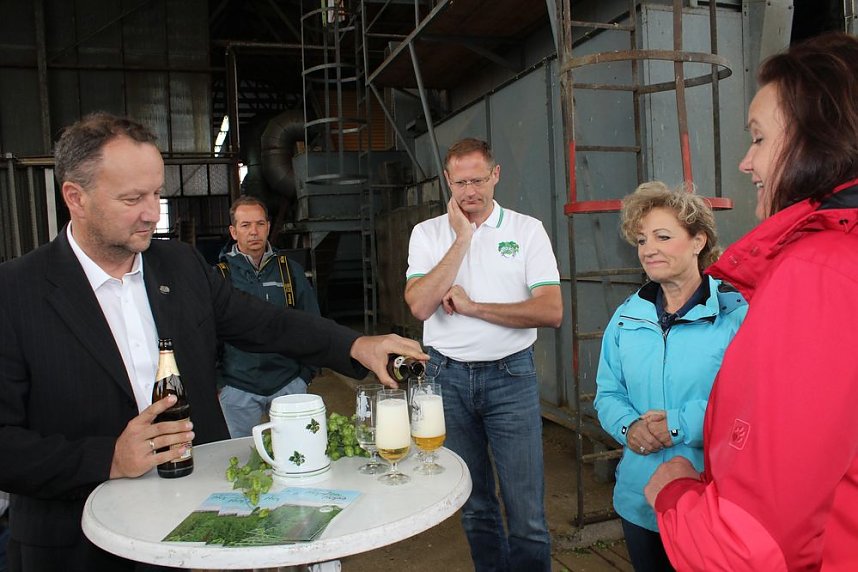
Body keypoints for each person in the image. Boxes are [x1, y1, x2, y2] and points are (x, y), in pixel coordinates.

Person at [0, 112, 426, 572]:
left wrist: (355, 346)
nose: (151, 211)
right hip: (79, 547)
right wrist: (106, 458)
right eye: (132, 198)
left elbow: (267, 323)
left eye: (156, 193)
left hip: (201, 528)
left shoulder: (180, 267)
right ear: (75, 198)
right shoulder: (16, 292)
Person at [644, 32, 858, 571]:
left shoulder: (820, 272)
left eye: (759, 139)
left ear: (818, 143)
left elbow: (750, 546)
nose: (746, 162)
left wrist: (675, 496)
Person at [404, 137, 563, 571]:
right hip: (446, 378)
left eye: (478, 180)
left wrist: (475, 308)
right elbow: (419, 305)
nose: (470, 192)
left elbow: (551, 311)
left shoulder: (526, 230)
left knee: (526, 513)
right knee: (473, 505)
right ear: (447, 181)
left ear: (496, 175)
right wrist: (461, 239)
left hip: (511, 378)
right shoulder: (428, 233)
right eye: (460, 183)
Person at [594, 182, 747, 571]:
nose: (648, 249)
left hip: (710, 496)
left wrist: (677, 426)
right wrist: (629, 428)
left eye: (663, 236)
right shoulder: (627, 317)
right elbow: (607, 393)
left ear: (698, 241)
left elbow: (750, 407)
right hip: (639, 497)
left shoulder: (736, 318)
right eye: (642, 240)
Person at [215, 195, 321, 438]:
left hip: (288, 384)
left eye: (260, 224)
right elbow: (204, 334)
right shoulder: (219, 277)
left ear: (268, 227)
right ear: (233, 232)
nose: (254, 231)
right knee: (240, 461)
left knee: (297, 453)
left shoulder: (289, 271)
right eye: (245, 225)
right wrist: (219, 384)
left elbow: (313, 325)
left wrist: (305, 375)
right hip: (238, 388)